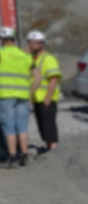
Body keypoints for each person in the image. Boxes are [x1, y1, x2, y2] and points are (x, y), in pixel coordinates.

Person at [0, 27, 35, 168]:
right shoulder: (25, 56)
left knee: (9, 128)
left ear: (2, 40)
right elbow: (37, 77)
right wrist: (30, 93)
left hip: (6, 96)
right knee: (22, 127)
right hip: (23, 96)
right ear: (14, 39)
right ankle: (24, 156)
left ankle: (13, 157)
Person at [27, 30, 62, 154]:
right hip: (37, 98)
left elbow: (53, 79)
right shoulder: (33, 59)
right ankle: (48, 148)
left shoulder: (48, 59)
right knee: (42, 126)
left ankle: (54, 150)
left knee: (49, 125)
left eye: (34, 43)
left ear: (41, 44)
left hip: (47, 98)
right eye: (29, 42)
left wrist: (48, 97)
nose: (31, 45)